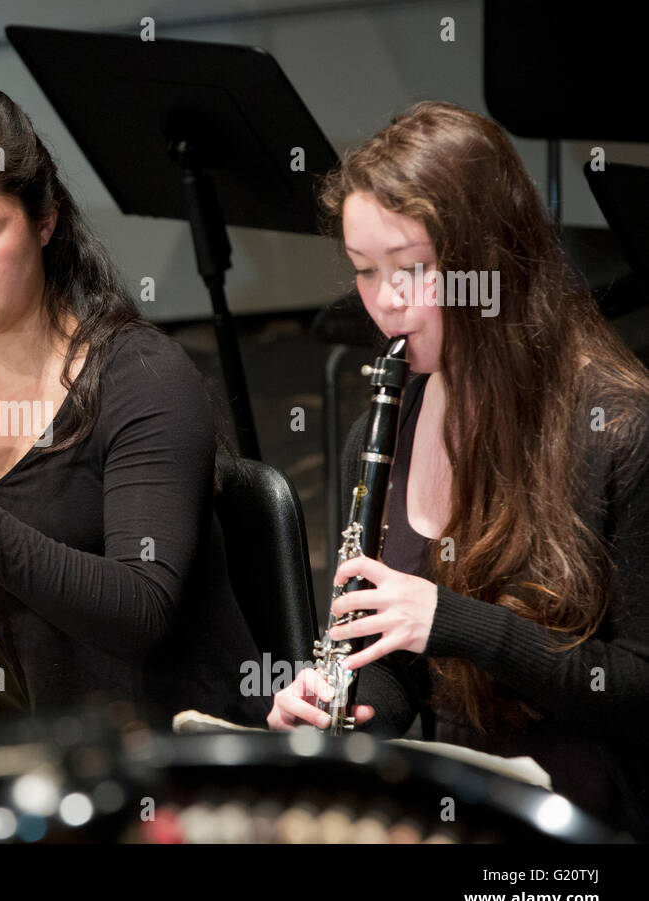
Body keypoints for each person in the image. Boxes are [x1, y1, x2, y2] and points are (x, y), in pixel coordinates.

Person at [267, 101, 649, 838]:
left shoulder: (619, 430)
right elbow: (397, 670)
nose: (386, 305)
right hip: (452, 801)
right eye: (364, 272)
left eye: (411, 270)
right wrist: (344, 697)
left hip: (583, 821)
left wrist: (455, 622)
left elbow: (634, 685)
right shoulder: (380, 430)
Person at [0, 89, 266, 728]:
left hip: (174, 759)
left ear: (45, 220)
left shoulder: (142, 378)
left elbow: (142, 612)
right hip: (35, 759)